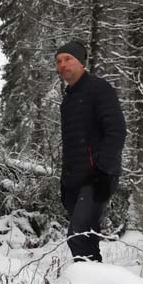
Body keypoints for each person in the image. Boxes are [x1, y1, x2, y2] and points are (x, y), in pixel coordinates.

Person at [55, 41, 126, 262]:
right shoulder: (68, 99)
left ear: (81, 62)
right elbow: (72, 144)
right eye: (59, 61)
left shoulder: (98, 89)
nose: (63, 65)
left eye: (68, 59)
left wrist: (103, 172)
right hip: (76, 179)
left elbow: (117, 131)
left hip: (97, 177)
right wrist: (65, 182)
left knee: (78, 236)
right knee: (86, 238)